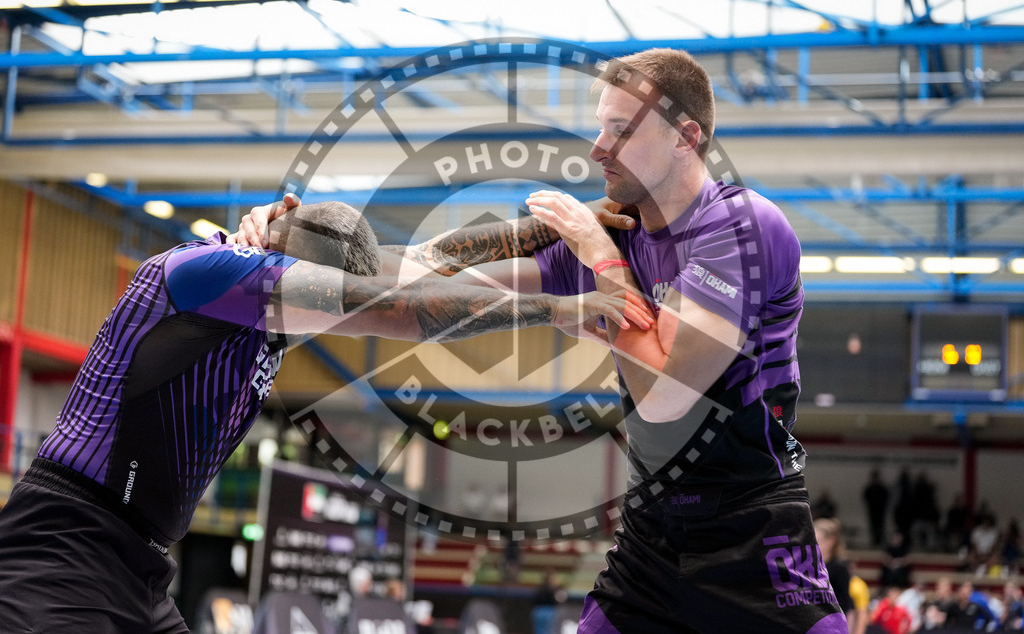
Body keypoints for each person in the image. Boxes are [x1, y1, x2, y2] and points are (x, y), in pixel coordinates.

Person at [237, 48, 847, 632]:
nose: (599, 148)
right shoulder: (615, 230)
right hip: (653, 530)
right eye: (600, 127)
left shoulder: (739, 227)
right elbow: (421, 289)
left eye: (621, 129)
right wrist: (288, 242)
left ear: (687, 137)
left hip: (752, 528)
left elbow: (666, 396)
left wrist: (600, 256)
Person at [0, 201, 641, 634]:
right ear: (295, 270)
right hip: (63, 543)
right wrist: (568, 313)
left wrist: (566, 226)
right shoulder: (206, 272)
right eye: (329, 304)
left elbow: (430, 261)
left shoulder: (281, 280)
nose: (330, 318)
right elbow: (399, 311)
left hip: (139, 561)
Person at [863, 469, 891, 548]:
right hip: (872, 510)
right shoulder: (870, 488)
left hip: (880, 511)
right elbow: (865, 497)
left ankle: (880, 541)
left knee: (880, 526)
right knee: (873, 526)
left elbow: (886, 497)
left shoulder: (881, 488)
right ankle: (875, 541)